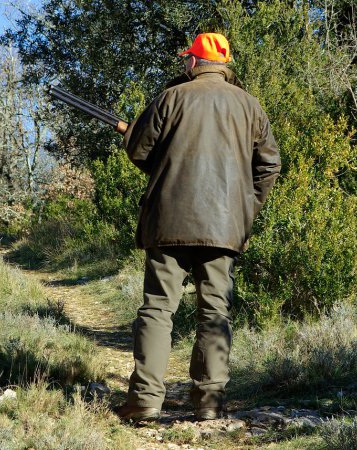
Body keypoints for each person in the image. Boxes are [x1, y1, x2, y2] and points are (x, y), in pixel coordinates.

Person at [116, 32, 281, 422]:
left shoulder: (171, 98)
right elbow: (269, 166)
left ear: (194, 62)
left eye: (186, 58)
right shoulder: (250, 106)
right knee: (215, 312)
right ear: (224, 64)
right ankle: (208, 401)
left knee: (158, 309)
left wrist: (133, 134)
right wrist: (245, 209)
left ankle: (144, 402)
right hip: (225, 226)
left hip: (168, 222)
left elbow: (141, 152)